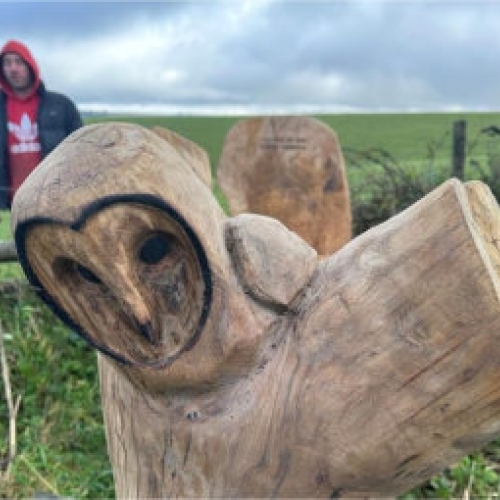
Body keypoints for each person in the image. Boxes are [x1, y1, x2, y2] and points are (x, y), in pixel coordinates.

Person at [0, 39, 82, 209]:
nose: (13, 68)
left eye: (18, 62)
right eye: (7, 63)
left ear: (30, 65)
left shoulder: (61, 105)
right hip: (7, 206)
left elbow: (82, 152)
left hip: (55, 202)